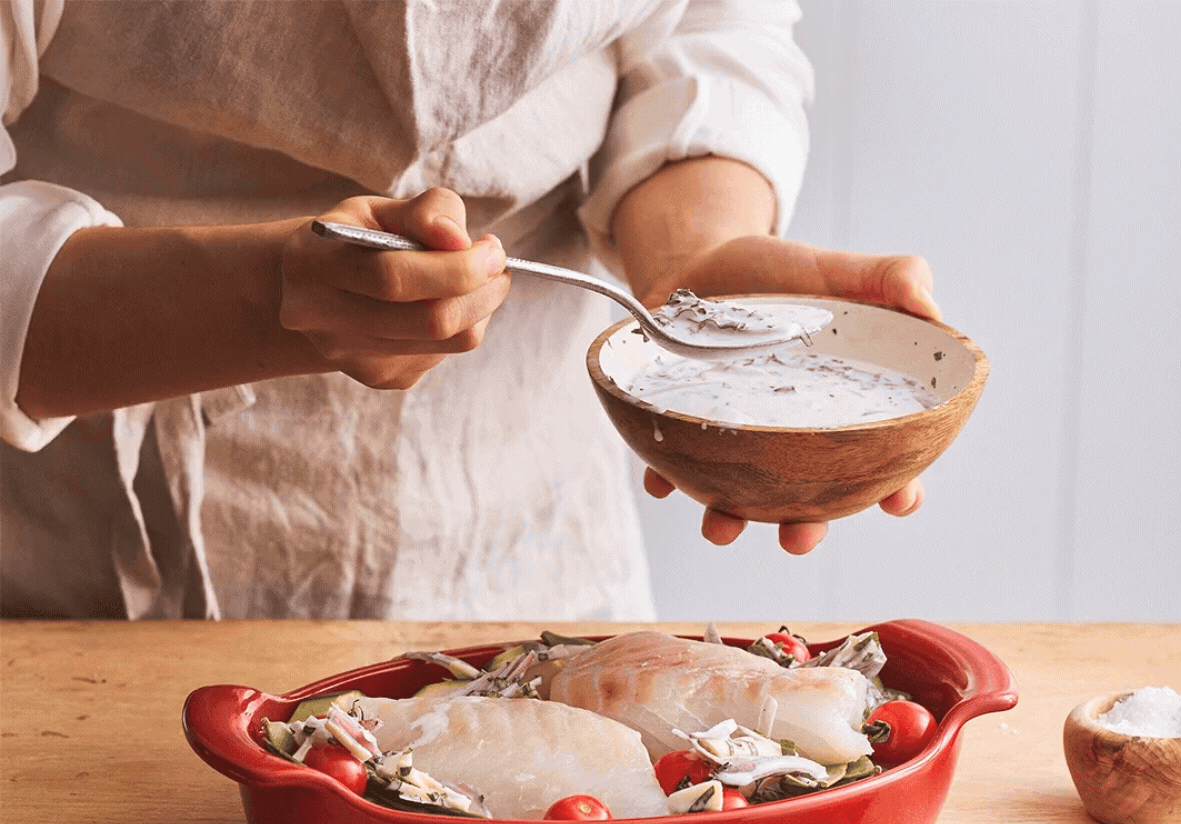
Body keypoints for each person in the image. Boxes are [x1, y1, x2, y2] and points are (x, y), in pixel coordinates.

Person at [0, 0, 940, 621]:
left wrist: (697, 258)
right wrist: (264, 300)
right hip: (101, 566)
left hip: (533, 527)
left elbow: (705, 26)